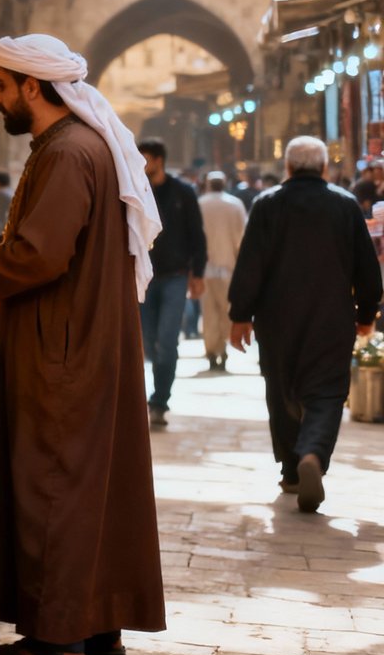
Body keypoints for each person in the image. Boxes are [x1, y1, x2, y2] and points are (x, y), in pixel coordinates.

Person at [0, 33, 164, 655]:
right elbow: (48, 236)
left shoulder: (67, 151)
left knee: (54, 483)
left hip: (65, 347)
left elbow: (41, 255)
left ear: (32, 86)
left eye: (1, 86)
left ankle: (53, 641)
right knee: (93, 486)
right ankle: (99, 626)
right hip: (85, 339)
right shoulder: (75, 146)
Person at [228, 136, 382, 513]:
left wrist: (239, 315)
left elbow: (251, 263)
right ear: (325, 168)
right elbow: (367, 268)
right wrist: (365, 315)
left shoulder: (267, 205)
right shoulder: (345, 205)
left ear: (289, 168)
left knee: (281, 390)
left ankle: (292, 470)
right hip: (331, 317)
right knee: (326, 392)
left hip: (276, 318)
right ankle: (312, 452)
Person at [136, 138, 206, 428]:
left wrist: (197, 273)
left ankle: (159, 400)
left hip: (175, 277)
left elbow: (196, 234)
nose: (140, 165)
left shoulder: (183, 192)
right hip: (144, 277)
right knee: (148, 342)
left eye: (145, 160)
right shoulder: (135, 192)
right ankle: (156, 392)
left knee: (167, 341)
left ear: (158, 160)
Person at [198, 171, 248, 374]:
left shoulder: (200, 204)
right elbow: (241, 236)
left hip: (205, 267)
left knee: (208, 312)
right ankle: (224, 348)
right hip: (229, 266)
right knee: (226, 310)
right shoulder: (234, 204)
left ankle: (212, 350)